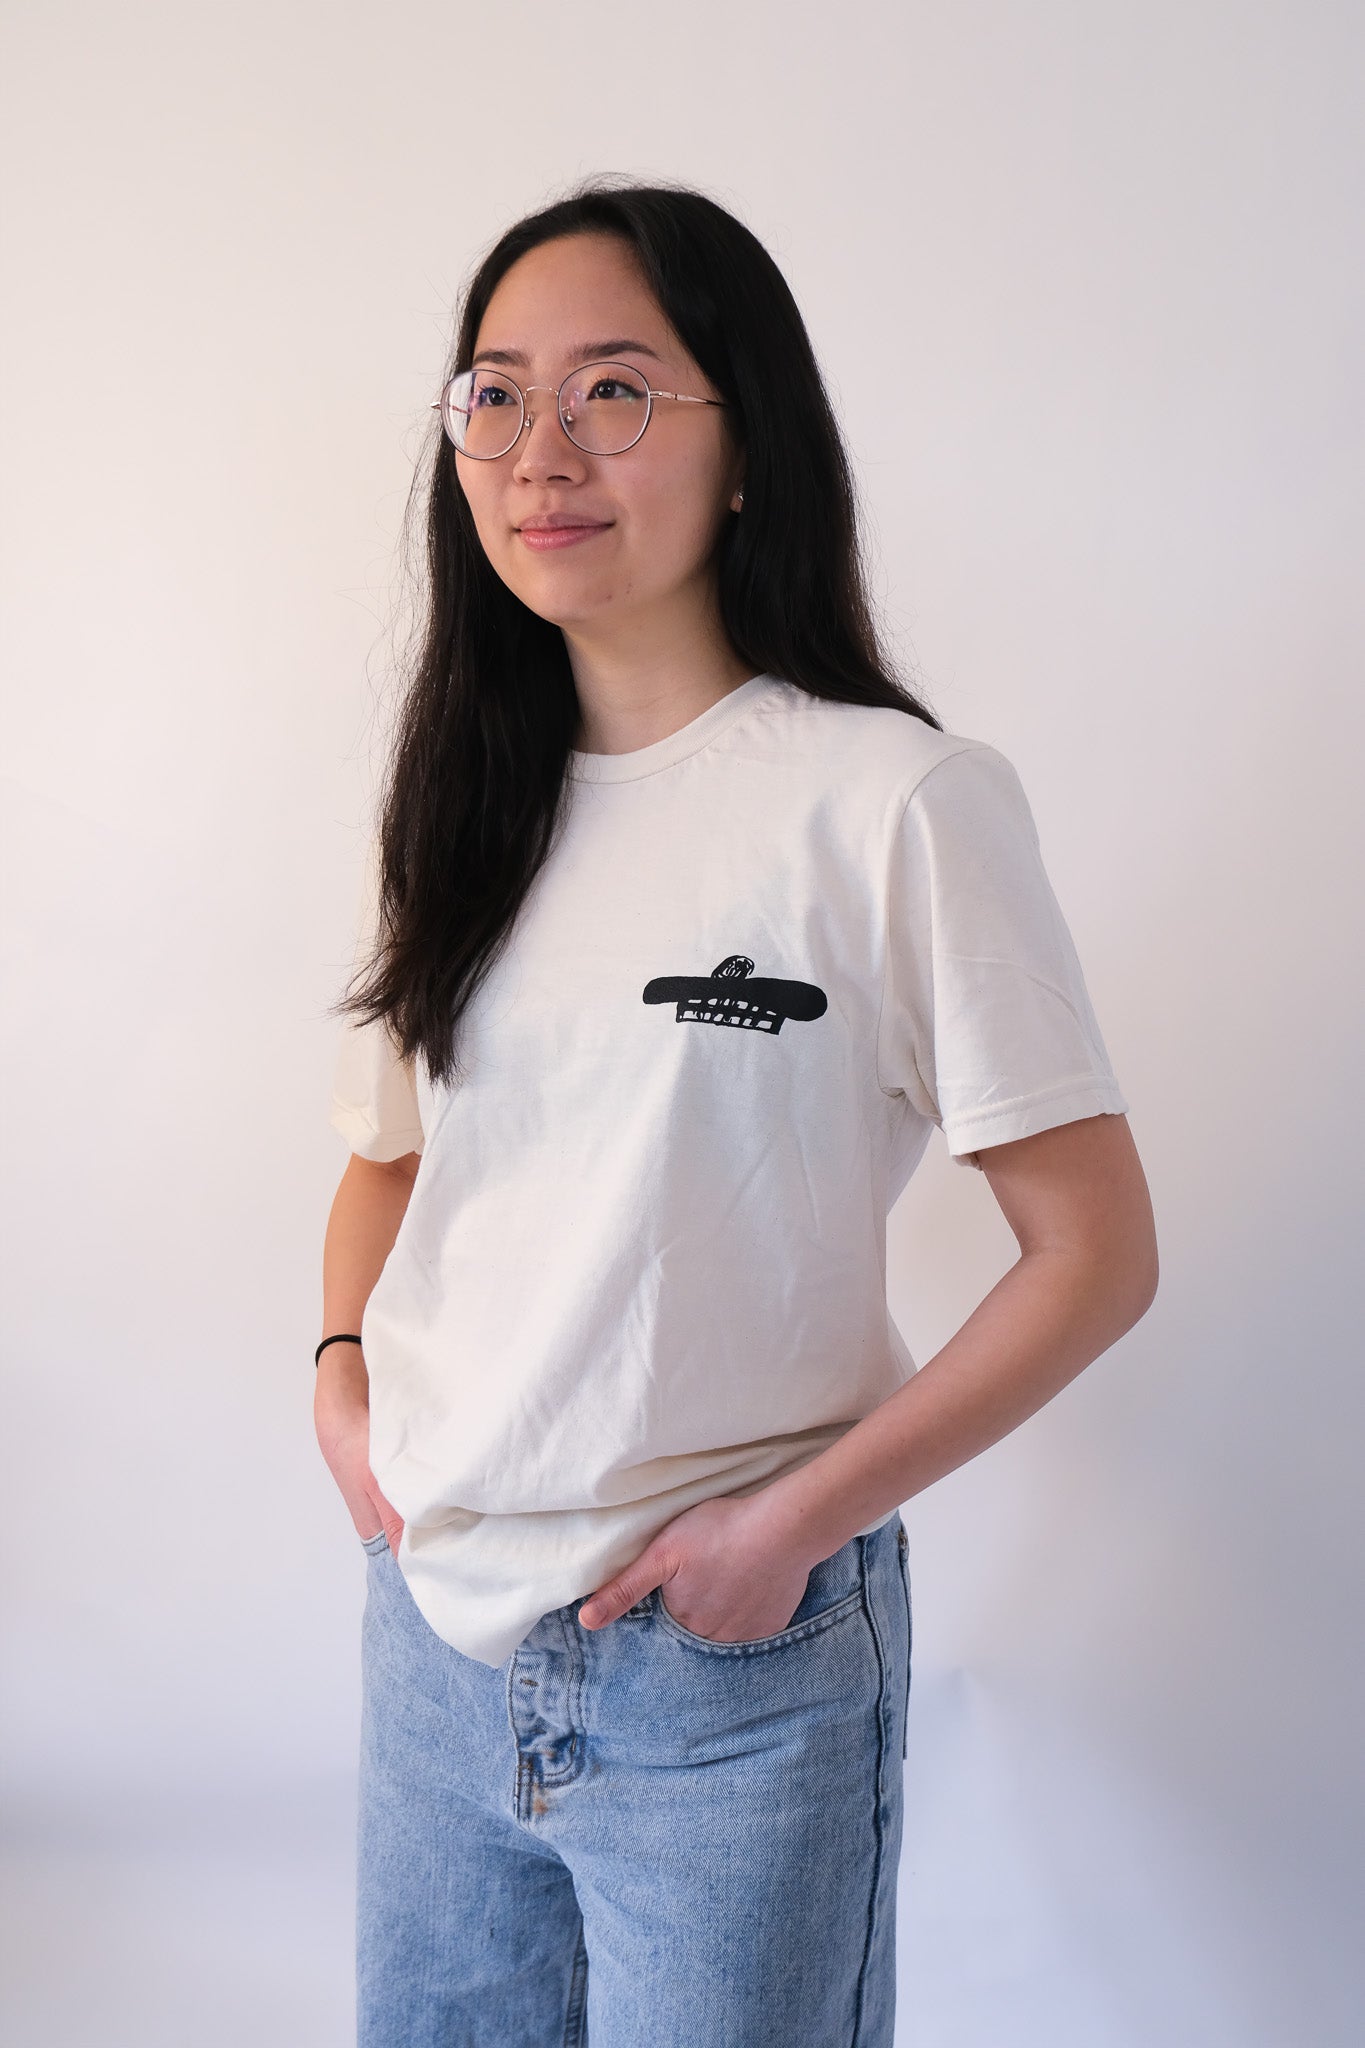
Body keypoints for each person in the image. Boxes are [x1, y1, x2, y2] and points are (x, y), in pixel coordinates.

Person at [316, 176, 1158, 2048]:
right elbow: (391, 1155)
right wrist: (338, 1379)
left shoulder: (892, 803)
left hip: (729, 1682)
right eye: (495, 395)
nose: (541, 451)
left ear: (749, 445)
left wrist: (786, 1529)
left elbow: (1093, 1257)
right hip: (432, 1645)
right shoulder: (459, 802)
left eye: (613, 391)